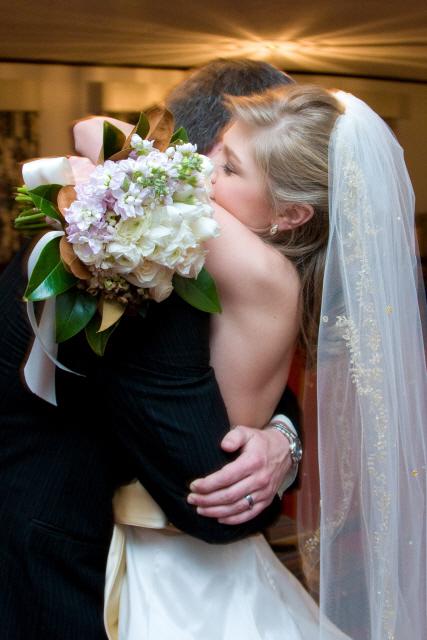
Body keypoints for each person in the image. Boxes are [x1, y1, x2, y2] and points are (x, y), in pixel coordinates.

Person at [110, 85, 426, 640]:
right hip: (178, 540)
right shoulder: (266, 267)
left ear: (290, 214)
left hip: (179, 547)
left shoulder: (257, 268)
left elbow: (96, 137)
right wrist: (286, 434)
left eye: (229, 168)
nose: (202, 170)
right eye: (215, 149)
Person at [0, 59, 298, 640]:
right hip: (49, 572)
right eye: (226, 162)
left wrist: (284, 438)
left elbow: (250, 383)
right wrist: (263, 486)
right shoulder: (142, 268)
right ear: (193, 159)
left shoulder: (118, 225)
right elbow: (206, 497)